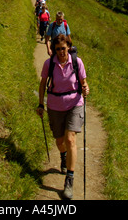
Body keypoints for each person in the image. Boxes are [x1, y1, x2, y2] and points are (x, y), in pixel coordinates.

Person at [37, 34, 89, 200]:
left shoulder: (77, 62)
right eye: (58, 49)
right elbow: (43, 84)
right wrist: (40, 104)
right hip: (55, 105)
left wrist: (86, 89)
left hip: (74, 103)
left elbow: (84, 83)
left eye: (63, 48)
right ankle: (63, 156)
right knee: (60, 141)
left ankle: (69, 180)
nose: (61, 52)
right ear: (54, 50)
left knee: (70, 139)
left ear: (69, 47)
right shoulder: (49, 64)